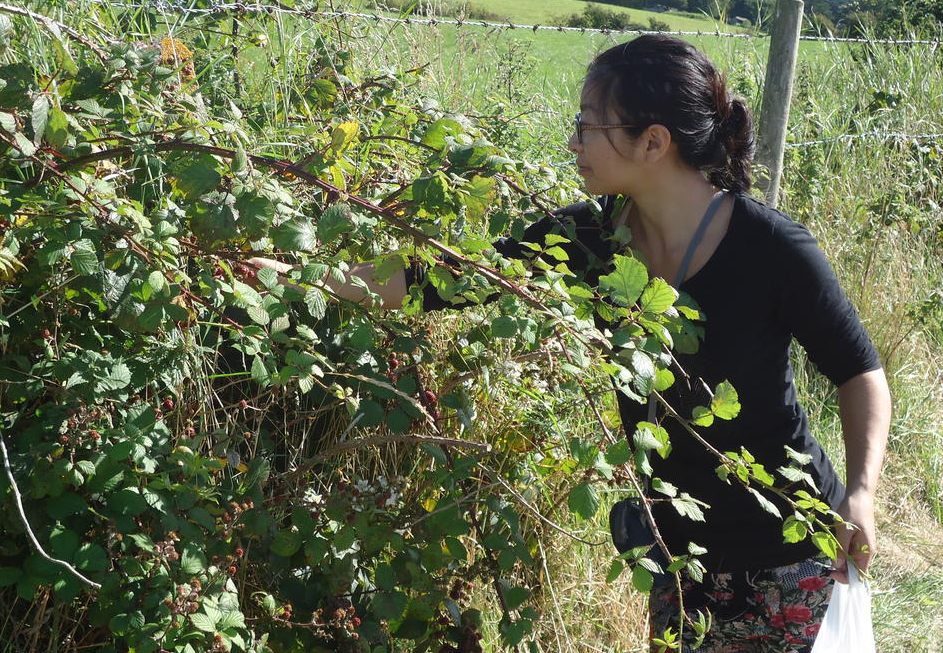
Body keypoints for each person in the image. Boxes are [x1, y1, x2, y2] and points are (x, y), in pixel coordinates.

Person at [248, 35, 891, 652]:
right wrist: (294, 275)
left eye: (590, 124)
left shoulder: (773, 249)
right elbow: (442, 284)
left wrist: (861, 489)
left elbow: (859, 370)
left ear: (653, 142)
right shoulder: (587, 239)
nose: (575, 140)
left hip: (792, 551)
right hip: (679, 553)